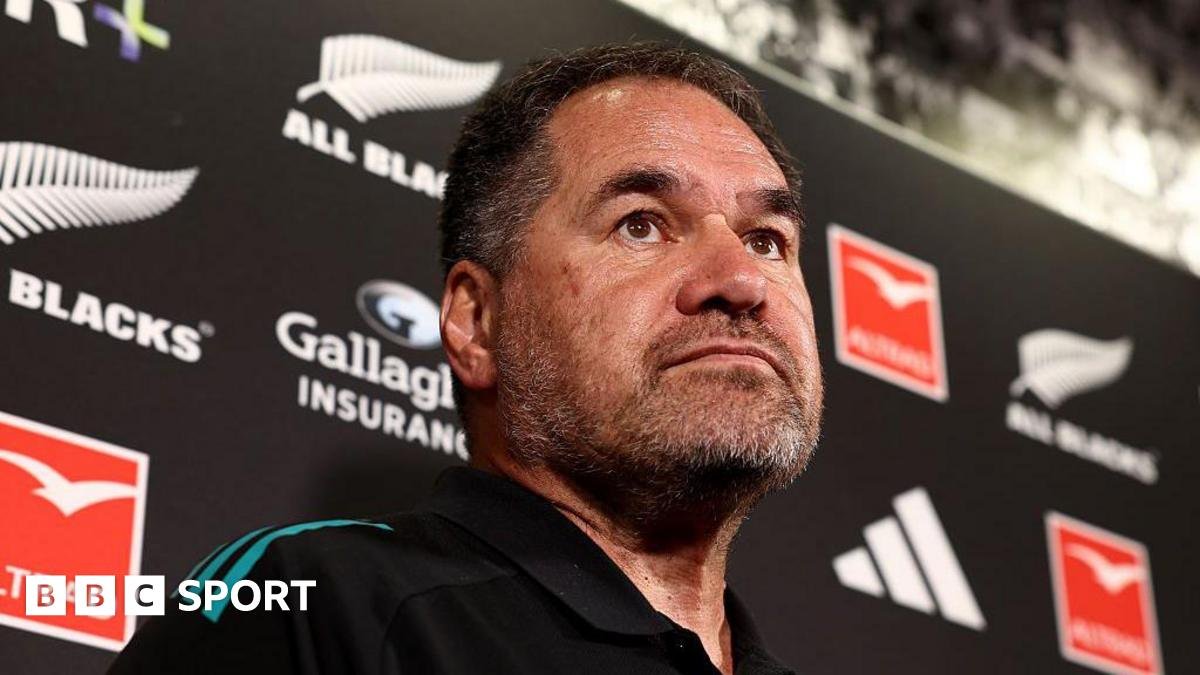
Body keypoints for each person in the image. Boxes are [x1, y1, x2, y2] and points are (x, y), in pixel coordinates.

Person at [109, 41, 823, 675]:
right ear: (477, 323)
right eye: (641, 225)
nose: (742, 280)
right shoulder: (312, 605)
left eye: (766, 239)